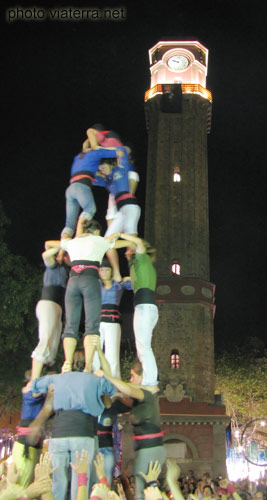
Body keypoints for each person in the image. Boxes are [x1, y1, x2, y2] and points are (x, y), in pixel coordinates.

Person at [46, 221, 132, 373]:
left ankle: (67, 361)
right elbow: (126, 243)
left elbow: (48, 244)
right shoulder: (99, 240)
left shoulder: (72, 242)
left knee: (70, 325)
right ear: (97, 231)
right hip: (90, 280)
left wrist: (62, 247)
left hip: (73, 280)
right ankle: (88, 365)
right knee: (91, 326)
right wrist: (118, 235)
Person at [30, 370, 117, 500]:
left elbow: (35, 387)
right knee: (81, 480)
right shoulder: (94, 380)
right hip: (83, 432)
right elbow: (110, 397)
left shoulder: (59, 378)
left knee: (58, 481)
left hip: (59, 433)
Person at [94, 361, 166, 500]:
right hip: (147, 448)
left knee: (142, 493)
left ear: (142, 376)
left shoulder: (146, 393)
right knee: (142, 491)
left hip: (149, 448)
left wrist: (106, 376)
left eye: (132, 376)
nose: (130, 379)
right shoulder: (140, 399)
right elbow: (122, 394)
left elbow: (127, 389)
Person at [94, 146, 140, 282]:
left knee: (129, 244)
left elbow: (123, 150)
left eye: (103, 167)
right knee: (109, 242)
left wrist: (101, 147)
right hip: (123, 210)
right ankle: (119, 273)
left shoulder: (122, 168)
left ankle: (133, 274)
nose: (102, 170)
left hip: (129, 207)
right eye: (100, 169)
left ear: (111, 163)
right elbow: (91, 176)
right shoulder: (108, 181)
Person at [117, 233, 158, 386]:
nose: (126, 253)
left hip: (145, 306)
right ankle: (145, 377)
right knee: (141, 346)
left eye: (128, 249)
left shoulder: (143, 259)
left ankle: (150, 380)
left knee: (143, 345)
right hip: (143, 306)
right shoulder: (137, 267)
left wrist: (120, 235)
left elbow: (139, 243)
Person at [30, 245, 69, 380]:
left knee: (53, 347)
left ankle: (43, 376)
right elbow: (46, 254)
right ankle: (34, 380)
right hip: (48, 303)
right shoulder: (54, 266)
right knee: (45, 340)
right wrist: (62, 246)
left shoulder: (67, 270)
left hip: (57, 306)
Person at [93, 258, 132, 378]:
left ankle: (114, 383)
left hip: (113, 322)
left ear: (111, 271)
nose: (104, 272)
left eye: (107, 269)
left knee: (112, 354)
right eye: (101, 270)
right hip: (97, 323)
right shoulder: (95, 284)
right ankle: (94, 378)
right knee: (95, 352)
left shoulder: (118, 285)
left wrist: (127, 278)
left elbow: (134, 284)